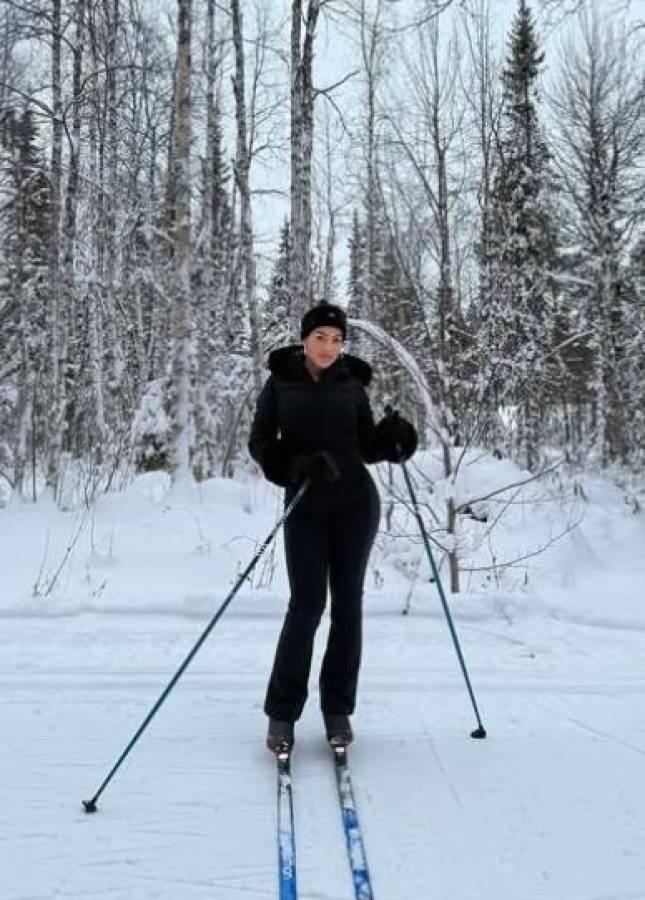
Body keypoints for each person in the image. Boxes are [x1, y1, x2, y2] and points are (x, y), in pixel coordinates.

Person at [248, 300, 417, 752]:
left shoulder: (351, 385)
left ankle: (337, 710)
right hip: (305, 506)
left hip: (354, 507)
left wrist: (394, 439)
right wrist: (297, 465)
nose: (328, 347)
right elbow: (261, 443)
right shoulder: (280, 382)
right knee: (306, 606)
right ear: (305, 339)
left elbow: (366, 446)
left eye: (337, 340)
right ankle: (282, 714)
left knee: (347, 608)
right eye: (321, 337)